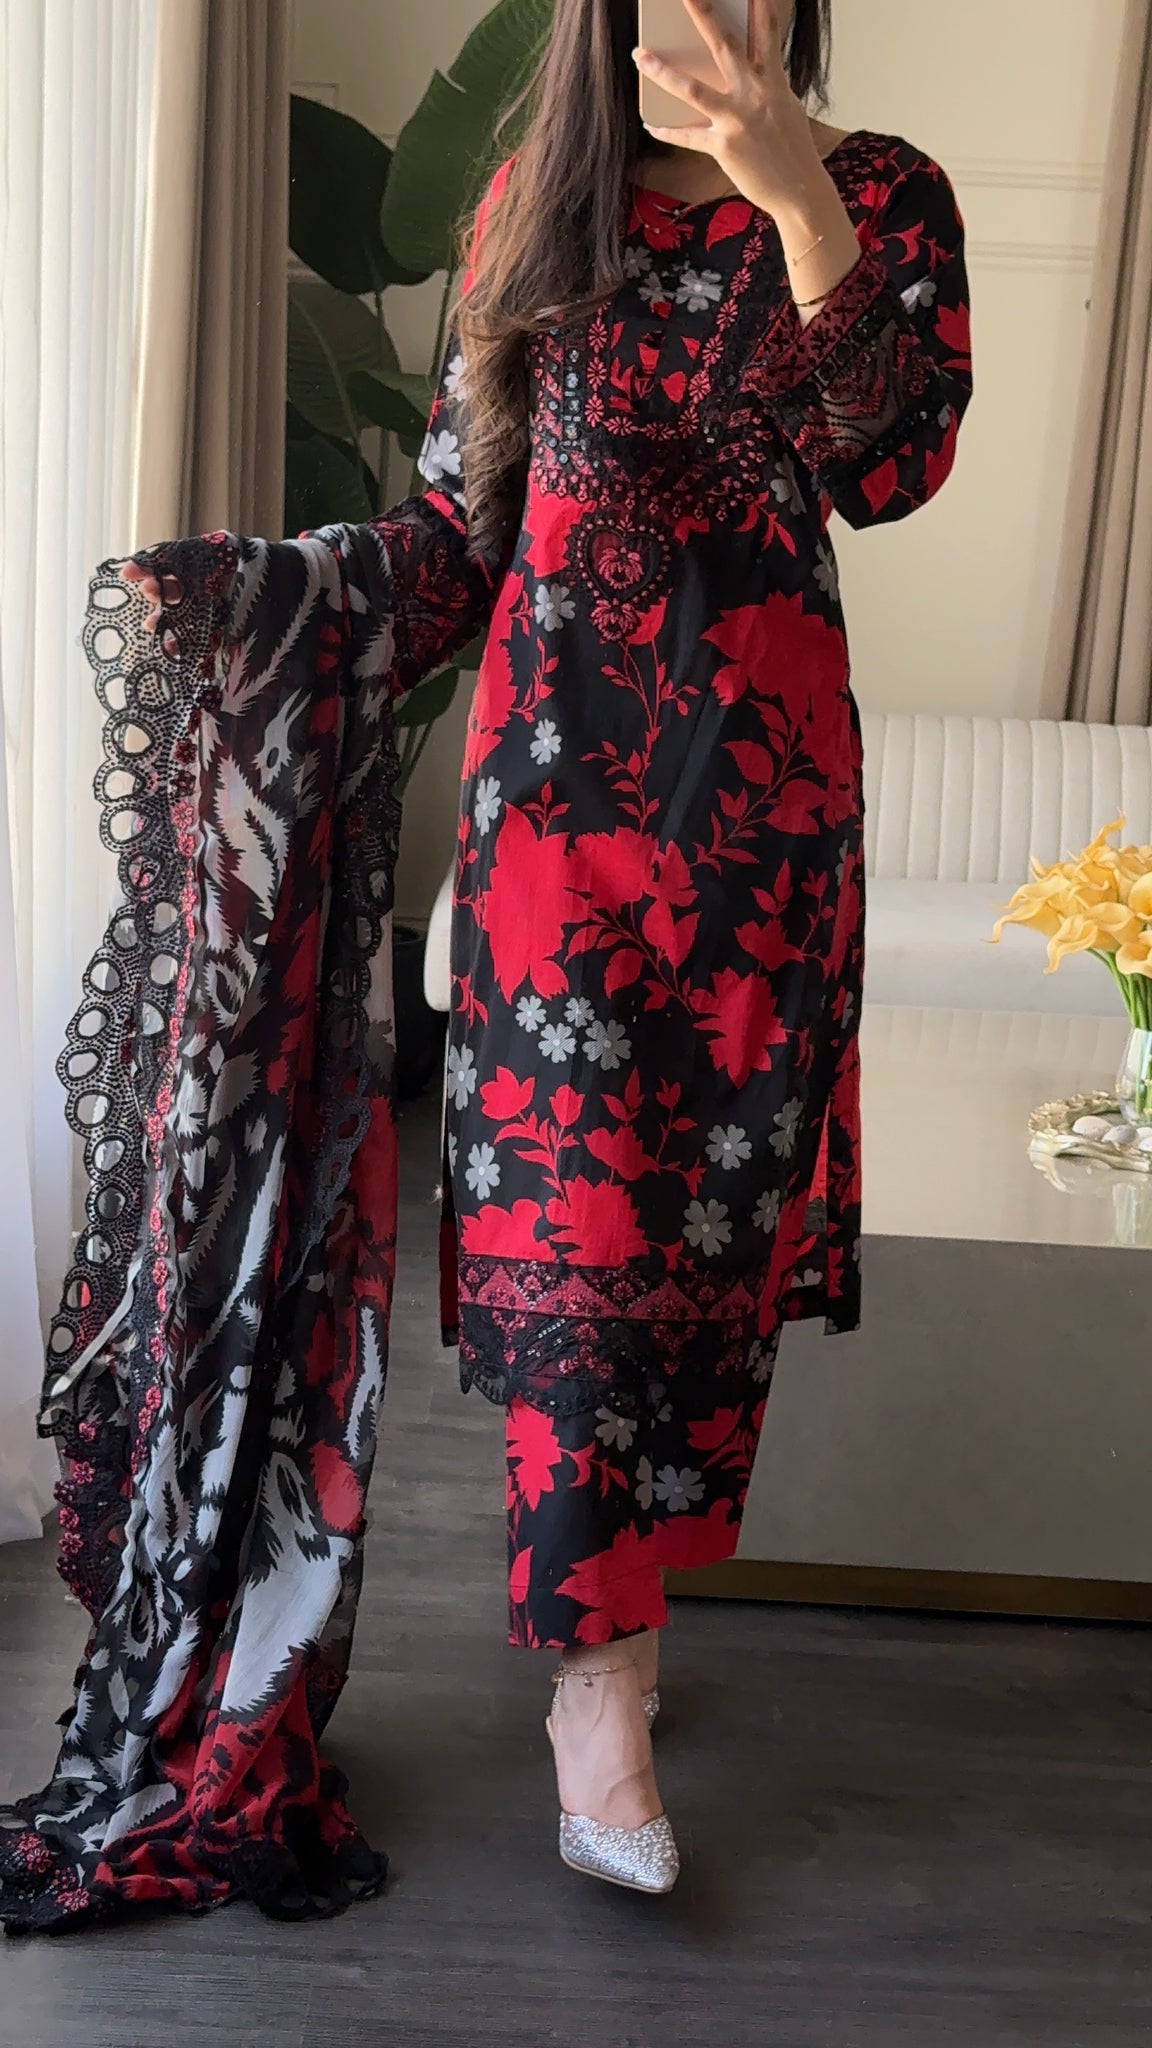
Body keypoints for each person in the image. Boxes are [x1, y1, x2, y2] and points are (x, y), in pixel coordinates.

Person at [125, 0, 972, 1901]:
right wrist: (281, 598)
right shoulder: (531, 208)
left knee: (697, 1265)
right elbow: (463, 526)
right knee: (579, 1250)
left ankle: (629, 1634)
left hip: (760, 835)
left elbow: (891, 464)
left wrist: (798, 204)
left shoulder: (886, 198)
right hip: (554, 840)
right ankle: (597, 1701)